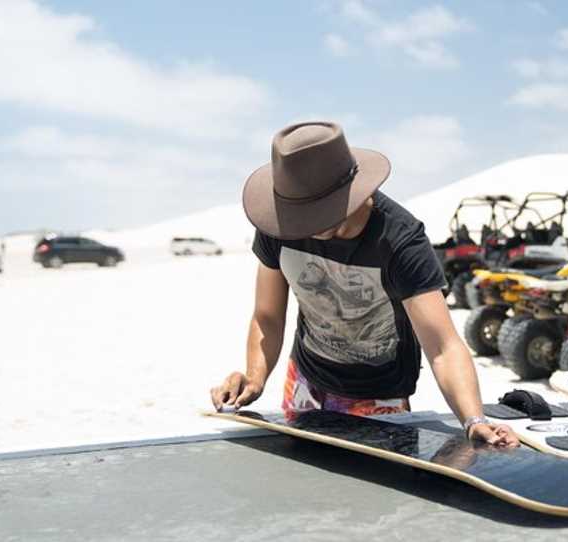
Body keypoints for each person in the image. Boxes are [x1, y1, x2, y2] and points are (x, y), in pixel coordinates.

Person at [210, 121, 518, 446]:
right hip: (305, 379)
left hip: (379, 395)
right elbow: (267, 316)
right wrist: (255, 378)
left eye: (314, 214)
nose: (303, 226)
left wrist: (473, 420)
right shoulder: (281, 223)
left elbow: (443, 347)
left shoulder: (401, 240)